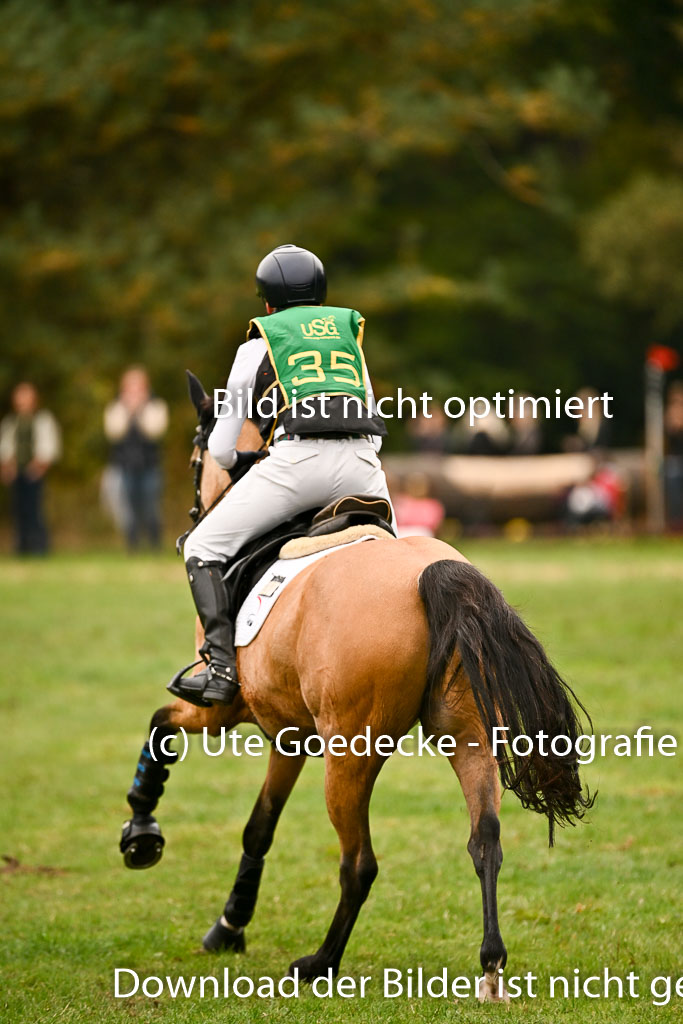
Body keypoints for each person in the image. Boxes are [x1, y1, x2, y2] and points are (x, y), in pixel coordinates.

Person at [170, 244, 393, 708]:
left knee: (200, 547)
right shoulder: (348, 337)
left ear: (268, 304)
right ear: (321, 294)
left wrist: (244, 461)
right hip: (363, 468)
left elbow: (220, 448)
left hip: (297, 465)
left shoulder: (257, 345)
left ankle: (220, 669)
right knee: (401, 559)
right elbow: (371, 424)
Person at [104, 367, 168, 550]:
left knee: (150, 506)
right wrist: (127, 411)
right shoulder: (116, 408)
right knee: (128, 509)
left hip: (150, 465)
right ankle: (132, 546)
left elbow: (154, 432)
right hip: (124, 466)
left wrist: (139, 411)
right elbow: (114, 433)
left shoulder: (156, 406)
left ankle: (155, 544)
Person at [0, 382, 62, 555]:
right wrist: (7, 467)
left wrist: (40, 465)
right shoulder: (11, 422)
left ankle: (39, 546)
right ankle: (22, 546)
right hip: (16, 471)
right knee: (18, 510)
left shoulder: (43, 419)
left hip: (35, 471)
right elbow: (5, 447)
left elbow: (50, 445)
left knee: (35, 508)